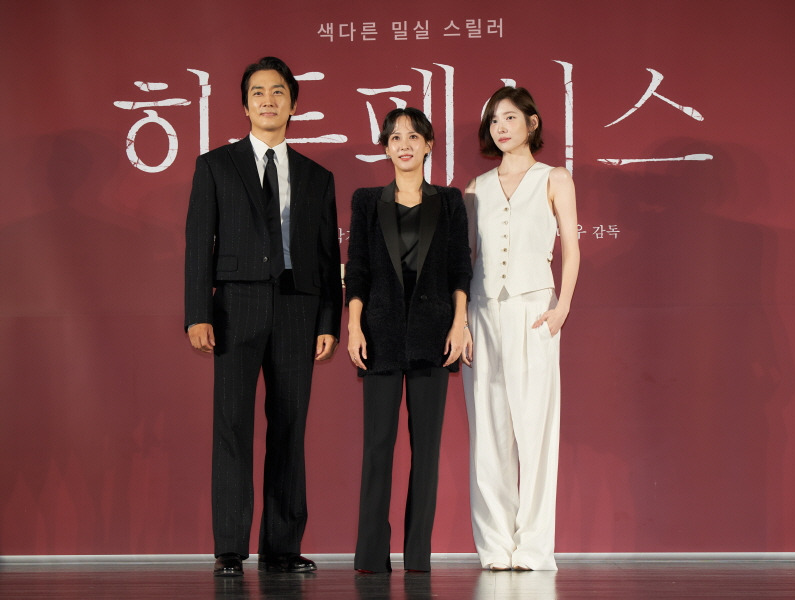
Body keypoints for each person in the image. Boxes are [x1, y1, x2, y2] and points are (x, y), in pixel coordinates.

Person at [184, 56, 342, 577]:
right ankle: (230, 548)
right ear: (245, 105)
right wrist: (197, 313)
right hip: (235, 305)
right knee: (232, 425)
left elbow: (327, 257)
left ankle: (282, 547)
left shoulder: (318, 177)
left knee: (290, 428)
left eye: (278, 92)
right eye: (258, 92)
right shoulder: (216, 166)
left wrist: (328, 321)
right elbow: (198, 245)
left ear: (293, 104)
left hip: (298, 308)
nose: (268, 100)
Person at [344, 107, 472, 573]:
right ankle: (370, 556)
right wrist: (354, 326)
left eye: (414, 136)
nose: (404, 144)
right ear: (385, 147)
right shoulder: (366, 201)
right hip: (379, 334)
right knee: (377, 447)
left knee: (427, 450)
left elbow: (460, 267)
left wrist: (459, 323)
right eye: (395, 137)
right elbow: (357, 268)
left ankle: (418, 556)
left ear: (428, 145)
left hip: (433, 334)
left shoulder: (450, 201)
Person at [462, 86, 580, 571]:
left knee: (535, 431)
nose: (501, 127)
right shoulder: (475, 187)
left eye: (510, 117)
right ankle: (494, 545)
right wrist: (461, 322)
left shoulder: (555, 178)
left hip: (535, 311)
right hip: (482, 313)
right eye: (494, 120)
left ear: (532, 122)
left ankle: (533, 547)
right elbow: (466, 258)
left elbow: (572, 248)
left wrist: (562, 307)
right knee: (488, 434)